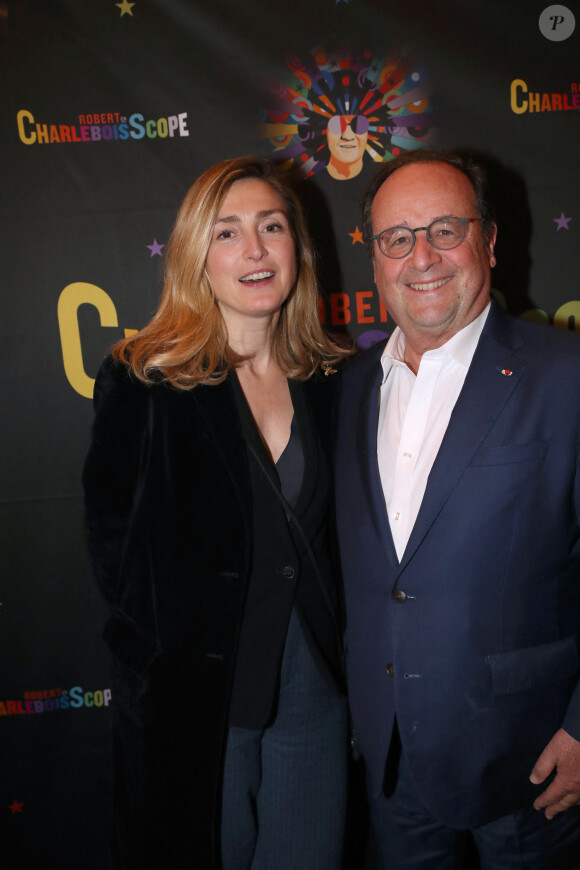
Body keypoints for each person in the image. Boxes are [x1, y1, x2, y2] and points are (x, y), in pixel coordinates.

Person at [83, 156, 352, 870]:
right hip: (195, 705)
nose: (256, 250)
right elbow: (111, 544)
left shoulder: (333, 378)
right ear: (197, 256)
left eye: (272, 226)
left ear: (299, 245)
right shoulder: (144, 376)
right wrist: (158, 657)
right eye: (228, 233)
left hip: (312, 697)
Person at [335, 148, 580, 868]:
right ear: (375, 258)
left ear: (491, 241)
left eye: (446, 229)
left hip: (533, 765)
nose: (422, 257)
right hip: (391, 763)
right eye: (397, 238)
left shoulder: (565, 376)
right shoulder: (353, 388)